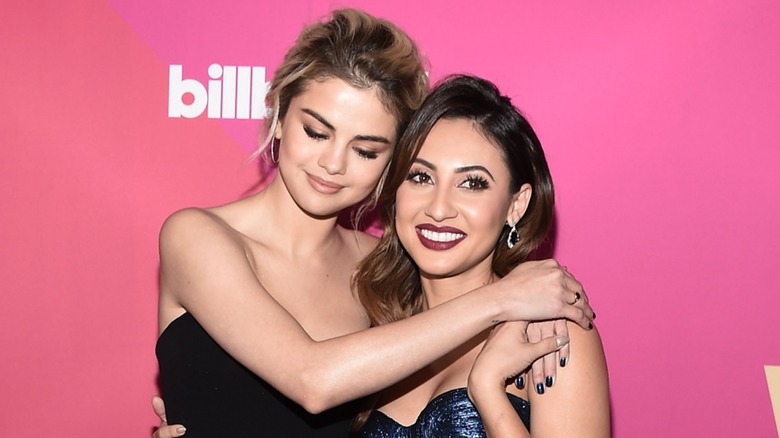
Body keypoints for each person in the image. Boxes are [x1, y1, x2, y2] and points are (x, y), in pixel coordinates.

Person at [153, 9, 594, 438]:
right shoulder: (197, 236)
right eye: (317, 131)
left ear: (391, 163)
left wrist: (533, 300)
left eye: (365, 150)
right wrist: (509, 298)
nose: (332, 163)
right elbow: (312, 380)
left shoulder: (380, 271)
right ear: (279, 115)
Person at [352, 74, 610, 437]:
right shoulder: (372, 324)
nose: (439, 209)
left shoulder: (550, 335)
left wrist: (488, 390)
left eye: (472, 183)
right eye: (421, 178)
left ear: (516, 205)